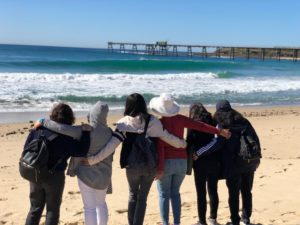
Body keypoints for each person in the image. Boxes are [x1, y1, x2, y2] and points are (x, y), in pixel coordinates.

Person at [35, 101, 125, 225]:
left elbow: (61, 128)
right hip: (104, 175)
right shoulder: (110, 132)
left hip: (86, 174)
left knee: (89, 208)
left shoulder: (84, 130)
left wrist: (43, 121)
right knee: (101, 204)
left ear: (92, 114)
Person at [149, 94, 231, 225]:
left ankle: (167, 223)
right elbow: (202, 126)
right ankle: (178, 223)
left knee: (164, 195)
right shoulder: (182, 119)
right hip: (183, 162)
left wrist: (160, 167)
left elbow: (160, 146)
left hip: (170, 162)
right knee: (176, 193)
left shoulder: (159, 123)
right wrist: (220, 132)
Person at [115, 93, 187, 225]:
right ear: (143, 105)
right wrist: (182, 144)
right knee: (142, 198)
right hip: (150, 165)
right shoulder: (153, 121)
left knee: (132, 195)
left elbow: (112, 143)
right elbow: (167, 137)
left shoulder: (123, 122)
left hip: (132, 166)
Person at [193, 100, 261, 225]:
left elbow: (218, 144)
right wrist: (258, 158)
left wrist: (198, 153)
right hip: (248, 161)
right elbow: (255, 139)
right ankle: (246, 220)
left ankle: (235, 220)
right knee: (246, 191)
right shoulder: (244, 121)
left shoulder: (222, 124)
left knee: (233, 193)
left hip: (233, 163)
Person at [25, 103, 91, 225]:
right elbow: (81, 151)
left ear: (53, 115)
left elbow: (26, 149)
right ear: (70, 118)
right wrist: (86, 133)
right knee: (52, 211)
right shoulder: (67, 138)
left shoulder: (38, 129)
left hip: (34, 172)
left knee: (34, 209)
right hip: (54, 176)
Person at [186, 103, 222, 225]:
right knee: (213, 190)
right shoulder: (213, 122)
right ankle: (213, 219)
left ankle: (202, 221)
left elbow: (189, 142)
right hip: (214, 161)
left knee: (201, 193)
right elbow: (217, 140)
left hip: (199, 162)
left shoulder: (193, 125)